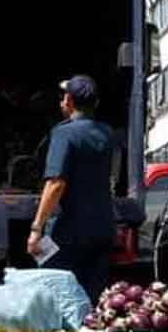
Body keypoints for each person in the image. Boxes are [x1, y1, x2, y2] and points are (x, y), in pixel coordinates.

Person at [27, 75, 114, 304]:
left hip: (69, 233)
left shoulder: (64, 133)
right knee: (93, 299)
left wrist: (36, 229)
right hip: (102, 229)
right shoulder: (107, 133)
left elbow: (56, 184)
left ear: (68, 101)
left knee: (57, 296)